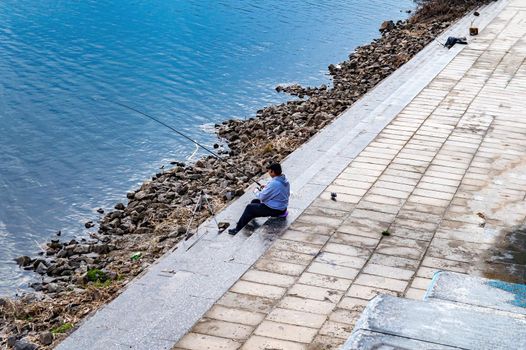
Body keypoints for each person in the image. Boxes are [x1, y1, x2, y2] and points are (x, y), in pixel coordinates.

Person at [228, 163, 290, 235]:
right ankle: (245, 219)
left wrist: (256, 191)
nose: (268, 172)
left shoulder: (274, 183)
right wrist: (266, 188)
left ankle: (237, 229)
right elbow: (279, 191)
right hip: (283, 207)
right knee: (254, 201)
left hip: (276, 210)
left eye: (269, 171)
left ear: (273, 172)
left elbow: (262, 197)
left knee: (249, 207)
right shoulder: (284, 180)